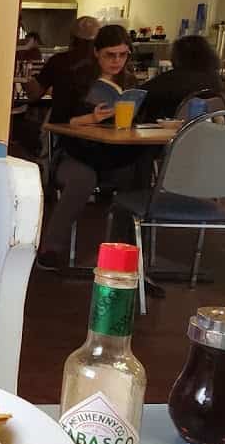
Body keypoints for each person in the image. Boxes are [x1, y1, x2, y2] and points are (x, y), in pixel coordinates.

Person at [36, 24, 153, 271]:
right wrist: (92, 118)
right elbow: (58, 121)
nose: (117, 61)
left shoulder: (130, 81)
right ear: (96, 53)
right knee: (83, 180)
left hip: (112, 153)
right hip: (76, 152)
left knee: (138, 172)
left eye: (123, 55)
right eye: (111, 55)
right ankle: (50, 248)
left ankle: (126, 250)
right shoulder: (74, 78)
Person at [139, 35, 224, 122]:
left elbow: (139, 95)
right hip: (208, 132)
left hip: (168, 133)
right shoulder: (215, 79)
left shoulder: (170, 79)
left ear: (177, 55)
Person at [24, 16, 99, 103]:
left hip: (62, 115)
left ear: (72, 39)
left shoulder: (58, 61)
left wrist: (25, 75)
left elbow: (34, 94)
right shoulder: (102, 63)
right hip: (95, 115)